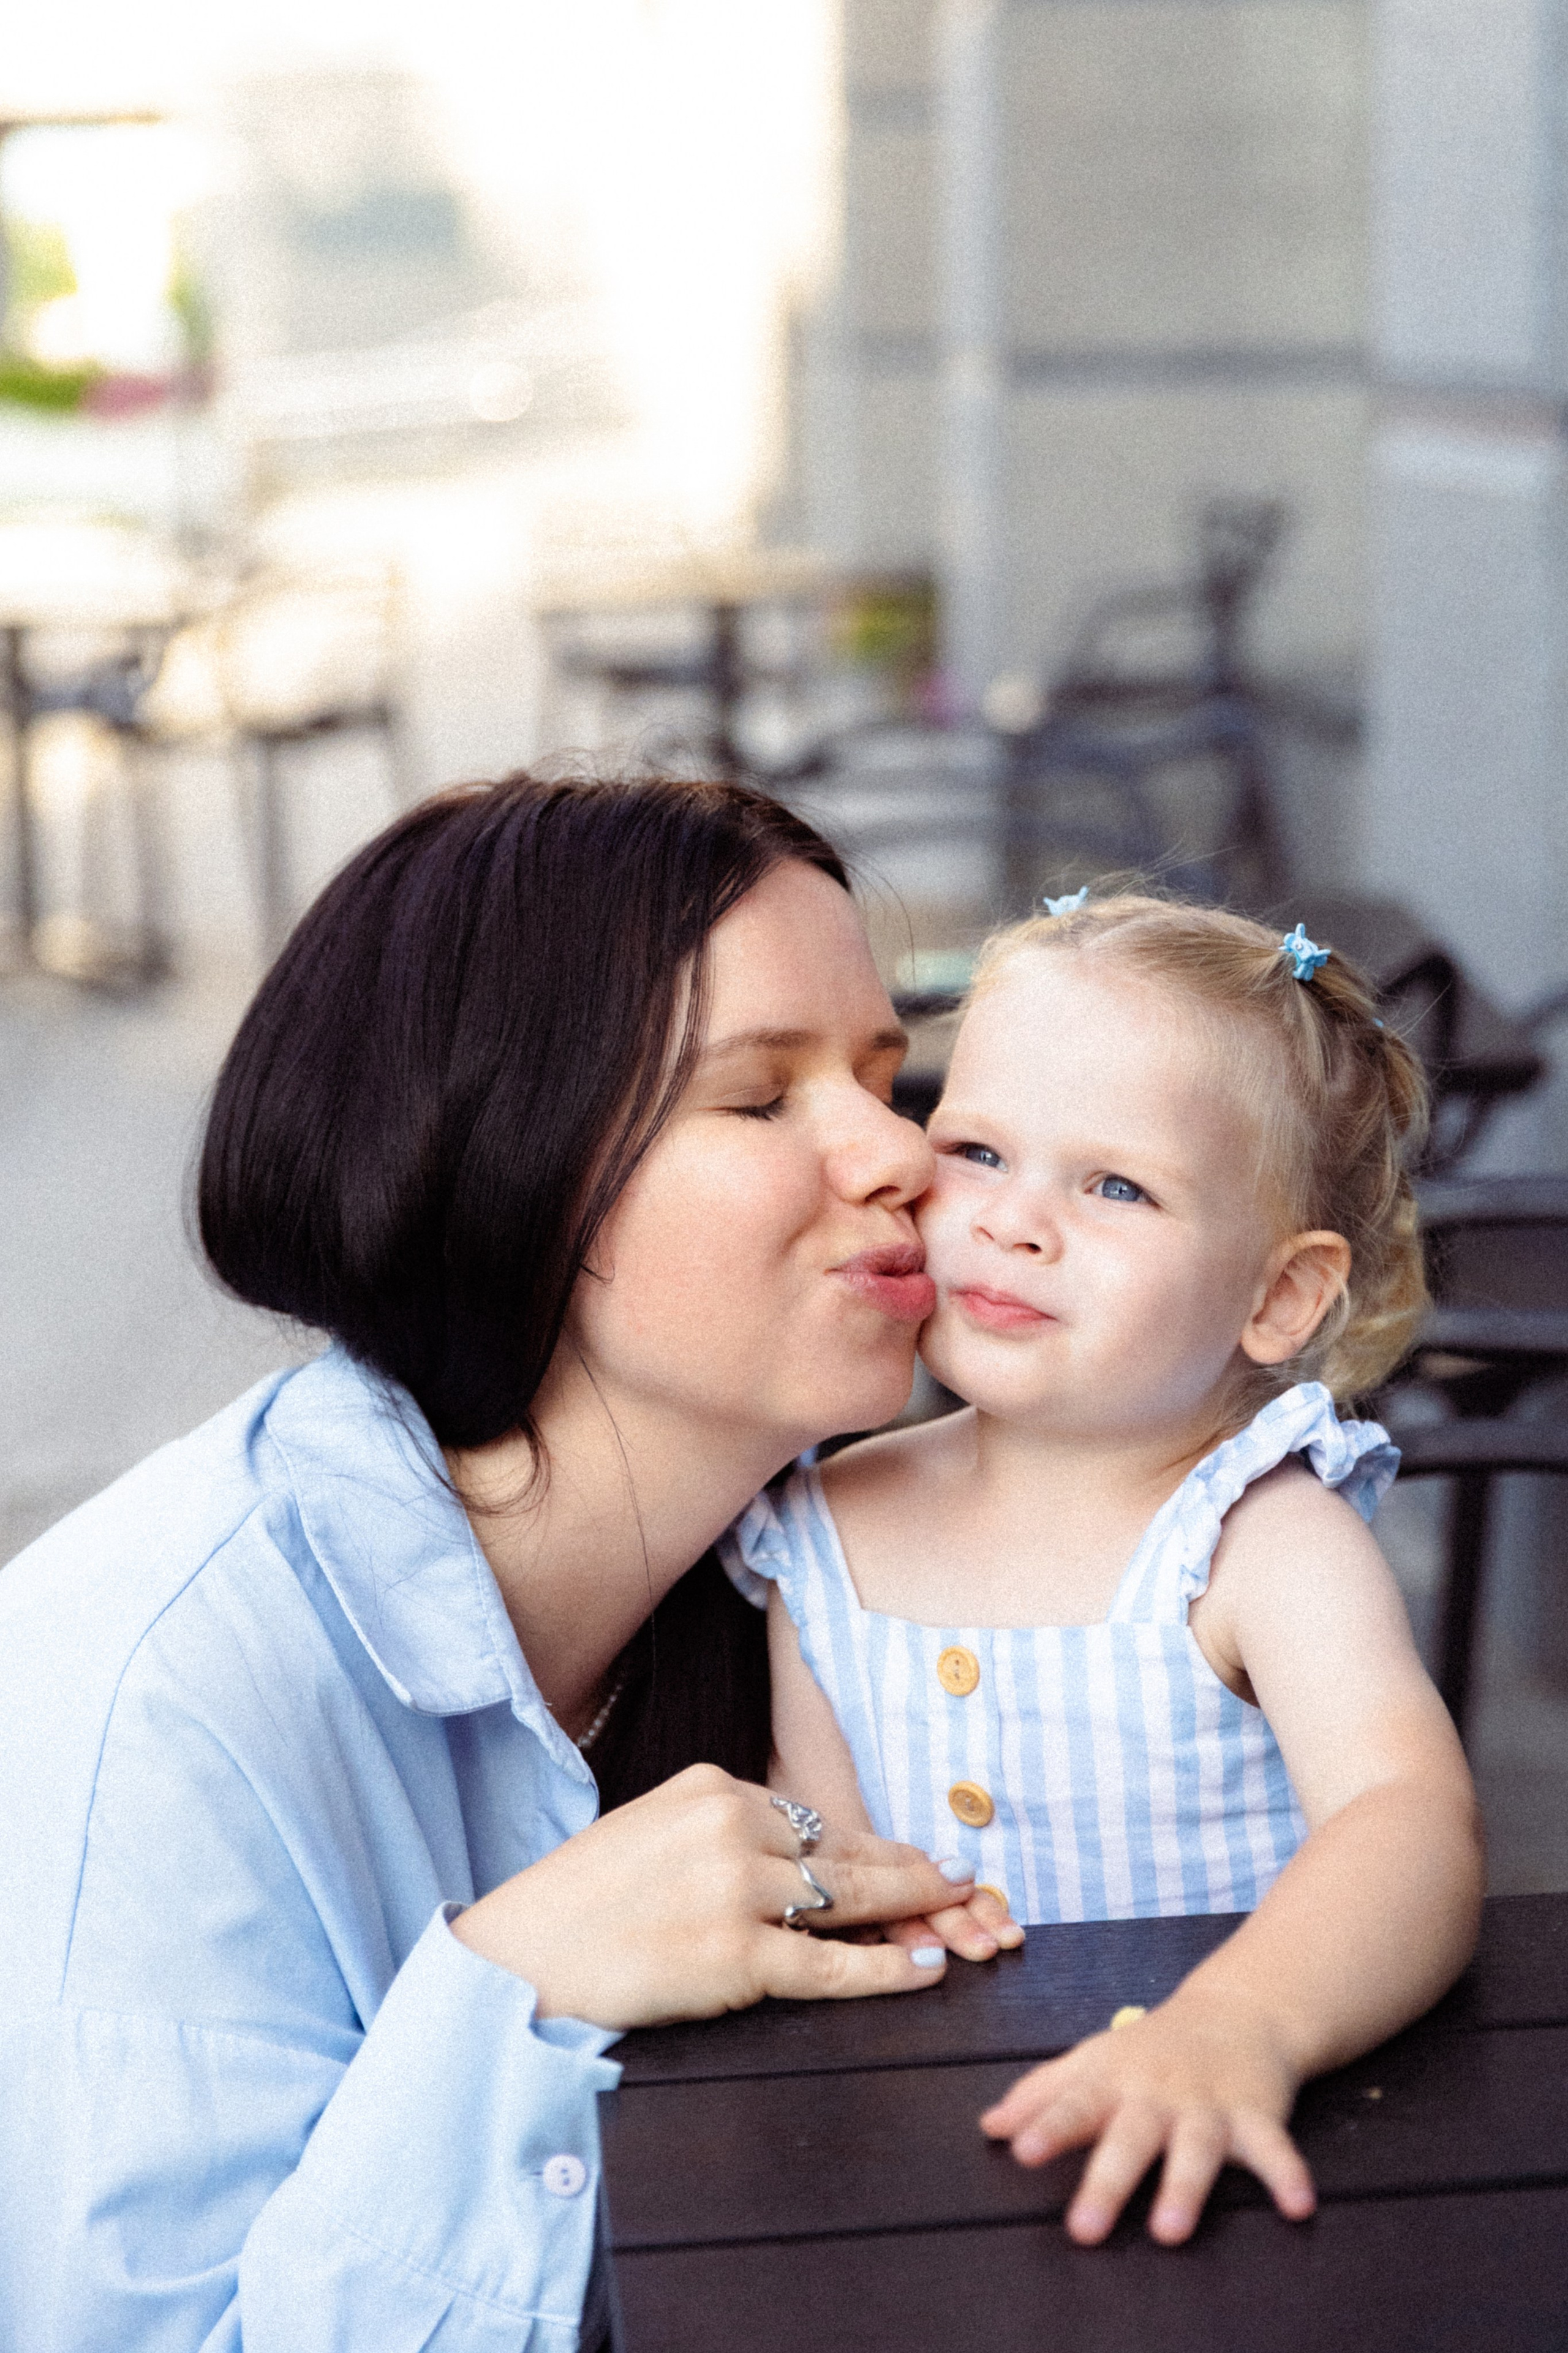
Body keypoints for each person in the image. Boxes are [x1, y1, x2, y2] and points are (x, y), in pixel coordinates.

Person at [0, 774, 980, 2352]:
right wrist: (516, 1991)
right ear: (504, 1165)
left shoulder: (841, 1564)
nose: (902, 1153)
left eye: (887, 1073)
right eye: (756, 1097)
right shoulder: (147, 1715)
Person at [725, 892, 1485, 2250]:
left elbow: (1407, 1825)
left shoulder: (1253, 1537)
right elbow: (832, 1868)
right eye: (975, 1147)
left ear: (1275, 1297)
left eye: (1114, 1184)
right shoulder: (822, 1523)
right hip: (927, 2166)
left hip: (1229, 2158)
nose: (1015, 1222)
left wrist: (1235, 2025)